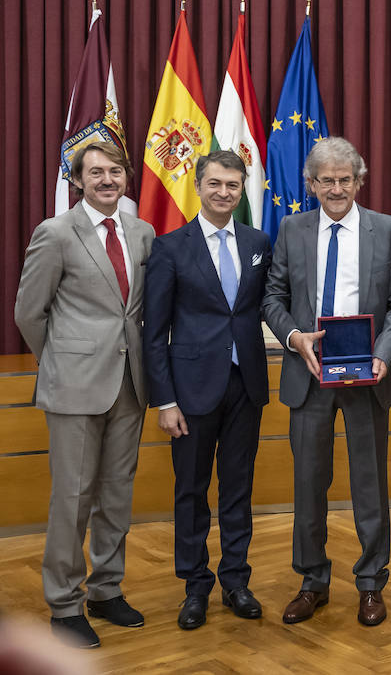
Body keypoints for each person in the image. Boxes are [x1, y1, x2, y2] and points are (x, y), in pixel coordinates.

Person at [261, 137, 391, 628]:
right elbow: (273, 297)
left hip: (366, 375)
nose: (335, 188)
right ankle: (312, 582)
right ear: (311, 184)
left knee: (370, 485)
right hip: (308, 376)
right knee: (309, 484)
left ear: (358, 181)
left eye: (344, 180)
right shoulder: (291, 228)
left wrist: (384, 354)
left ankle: (371, 583)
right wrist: (292, 338)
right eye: (325, 180)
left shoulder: (386, 229)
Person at [14, 140, 155, 649]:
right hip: (74, 386)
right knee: (72, 500)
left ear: (127, 177)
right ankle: (65, 603)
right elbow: (29, 313)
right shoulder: (54, 234)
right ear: (77, 182)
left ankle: (106, 589)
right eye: (94, 173)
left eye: (114, 171)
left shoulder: (142, 233)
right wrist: (60, 362)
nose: (106, 180)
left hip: (130, 384)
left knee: (116, 496)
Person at [142, 150, 272, 629]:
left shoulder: (259, 241)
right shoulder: (170, 247)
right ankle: (195, 586)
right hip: (190, 392)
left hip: (246, 385)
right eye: (215, 184)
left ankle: (236, 580)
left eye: (233, 186)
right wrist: (165, 399)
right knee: (191, 492)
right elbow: (154, 332)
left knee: (238, 490)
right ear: (198, 186)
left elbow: (263, 306)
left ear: (242, 191)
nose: (223, 193)